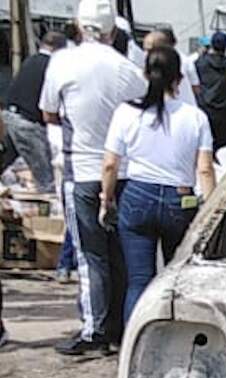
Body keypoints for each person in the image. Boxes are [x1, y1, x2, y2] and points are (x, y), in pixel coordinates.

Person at [39, 0, 148, 355]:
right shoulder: (126, 68)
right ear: (112, 31)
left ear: (77, 25)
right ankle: (118, 325)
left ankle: (94, 330)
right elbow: (142, 111)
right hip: (123, 173)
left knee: (90, 256)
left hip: (82, 171)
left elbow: (48, 112)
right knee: (118, 254)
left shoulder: (62, 63)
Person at [101, 47, 215, 323]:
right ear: (179, 79)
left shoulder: (126, 112)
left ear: (145, 74)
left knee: (139, 281)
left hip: (137, 196)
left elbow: (109, 165)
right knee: (176, 282)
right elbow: (204, 169)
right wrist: (211, 212)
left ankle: (133, 347)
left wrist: (106, 200)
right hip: (180, 199)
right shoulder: (196, 117)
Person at [0, 31, 68, 194]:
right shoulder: (52, 66)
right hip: (28, 123)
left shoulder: (30, 60)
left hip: (9, 116)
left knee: (4, 159)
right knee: (46, 177)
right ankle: (49, 216)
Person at [196, 31, 226, 151]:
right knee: (221, 147)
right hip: (224, 112)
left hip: (204, 109)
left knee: (202, 145)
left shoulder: (201, 63)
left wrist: (201, 54)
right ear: (225, 47)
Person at [142, 26, 201, 107]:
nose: (145, 54)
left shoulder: (181, 60)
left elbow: (195, 86)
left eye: (149, 50)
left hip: (180, 108)